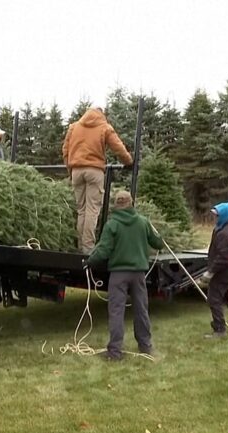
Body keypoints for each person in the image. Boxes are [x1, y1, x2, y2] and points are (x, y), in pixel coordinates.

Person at [86, 191, 164, 360]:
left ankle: (114, 351)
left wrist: (90, 261)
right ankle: (146, 346)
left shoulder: (112, 224)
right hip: (138, 274)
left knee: (116, 311)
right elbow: (158, 243)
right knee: (141, 310)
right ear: (131, 203)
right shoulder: (143, 222)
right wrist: (157, 234)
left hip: (118, 275)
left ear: (116, 205)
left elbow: (104, 250)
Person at [62, 108, 134, 254]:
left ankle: (80, 247)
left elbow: (65, 150)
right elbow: (118, 148)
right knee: (92, 210)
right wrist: (128, 161)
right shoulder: (104, 127)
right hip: (94, 171)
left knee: (81, 210)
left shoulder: (74, 127)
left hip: (76, 171)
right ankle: (88, 249)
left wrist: (70, 169)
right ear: (102, 115)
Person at [200, 202, 228, 337]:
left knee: (214, 299)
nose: (215, 218)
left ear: (225, 216)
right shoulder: (225, 228)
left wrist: (210, 272)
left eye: (217, 215)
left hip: (224, 272)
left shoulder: (226, 233)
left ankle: (219, 329)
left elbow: (224, 257)